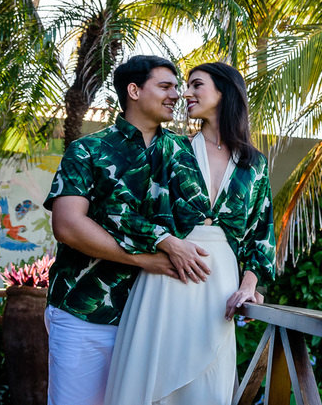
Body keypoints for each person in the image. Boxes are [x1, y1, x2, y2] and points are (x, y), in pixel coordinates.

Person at [103, 61, 276, 405]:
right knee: (153, 382)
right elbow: (119, 208)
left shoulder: (253, 163)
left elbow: (262, 234)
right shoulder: (169, 149)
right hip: (167, 276)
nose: (185, 93)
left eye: (197, 85)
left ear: (224, 91)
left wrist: (248, 286)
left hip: (220, 285)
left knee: (207, 387)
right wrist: (164, 241)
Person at [45, 55, 213, 405]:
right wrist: (147, 259)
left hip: (157, 317)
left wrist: (248, 280)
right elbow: (68, 225)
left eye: (177, 88)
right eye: (165, 86)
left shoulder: (186, 154)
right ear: (133, 90)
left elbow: (209, 221)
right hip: (85, 314)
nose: (176, 95)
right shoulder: (88, 150)